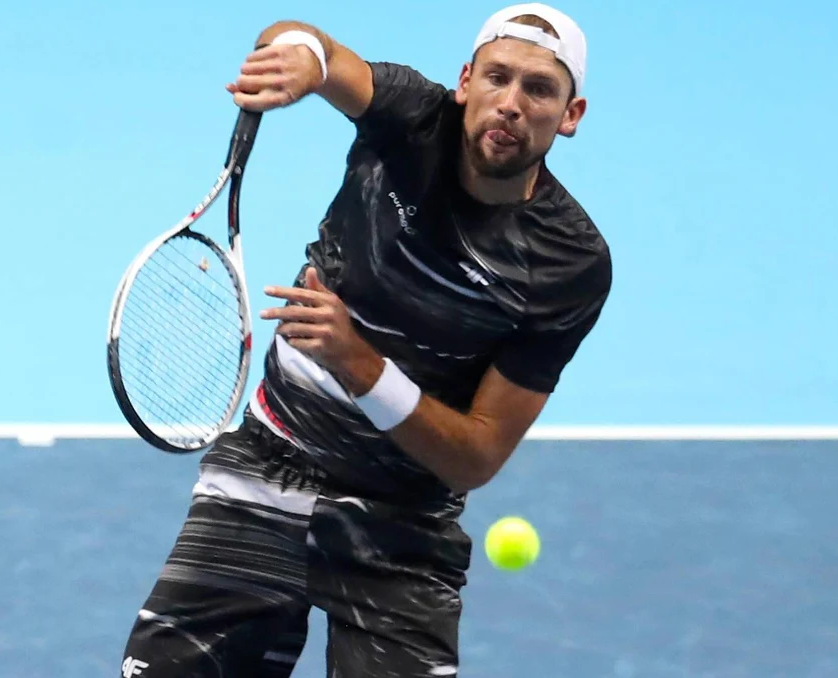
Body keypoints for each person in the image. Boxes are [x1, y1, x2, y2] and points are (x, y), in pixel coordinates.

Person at [119, 3, 612, 676]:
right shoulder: (411, 117)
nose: (511, 103)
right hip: (268, 464)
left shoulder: (567, 263)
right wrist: (301, 58)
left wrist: (359, 364)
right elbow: (308, 45)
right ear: (465, 81)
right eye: (497, 77)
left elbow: (474, 458)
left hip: (405, 523)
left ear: (571, 114)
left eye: (539, 89)